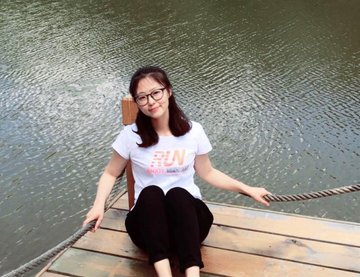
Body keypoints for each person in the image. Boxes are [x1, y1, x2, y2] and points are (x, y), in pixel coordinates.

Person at [83, 66, 271, 277]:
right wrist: (98, 206)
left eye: (156, 93)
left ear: (169, 91)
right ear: (136, 102)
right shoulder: (130, 135)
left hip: (189, 225)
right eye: (142, 97)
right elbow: (110, 173)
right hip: (148, 229)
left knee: (178, 194)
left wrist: (248, 189)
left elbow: (208, 173)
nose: (151, 102)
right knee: (151, 193)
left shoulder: (193, 131)